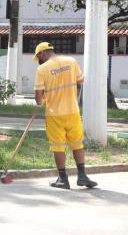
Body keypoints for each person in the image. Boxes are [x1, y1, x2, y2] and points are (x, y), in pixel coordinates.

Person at [33, 42, 97, 189]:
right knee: (77, 144)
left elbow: (38, 97)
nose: (39, 61)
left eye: (39, 58)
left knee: (58, 147)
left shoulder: (42, 69)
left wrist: (41, 101)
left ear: (42, 53)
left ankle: (63, 179)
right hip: (73, 112)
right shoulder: (71, 61)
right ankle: (82, 176)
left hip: (55, 114)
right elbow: (80, 80)